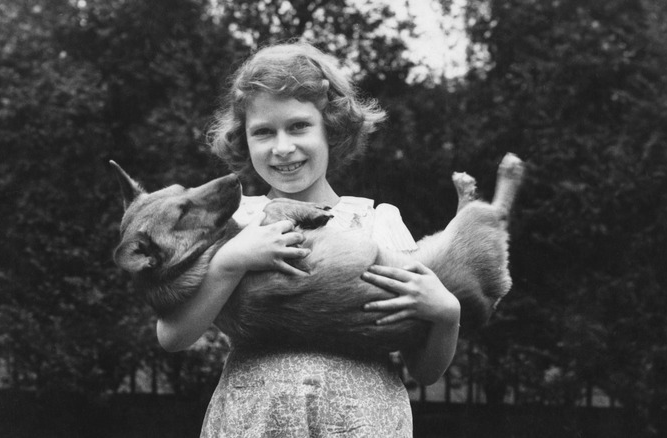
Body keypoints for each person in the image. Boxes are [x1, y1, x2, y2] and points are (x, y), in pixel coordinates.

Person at [155, 42, 461, 437]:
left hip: (361, 423)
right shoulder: (233, 222)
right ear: (243, 140)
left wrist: (447, 313)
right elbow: (173, 335)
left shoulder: (375, 223)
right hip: (255, 422)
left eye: (299, 126)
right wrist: (232, 261)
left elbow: (424, 369)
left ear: (331, 129)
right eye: (263, 132)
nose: (283, 148)